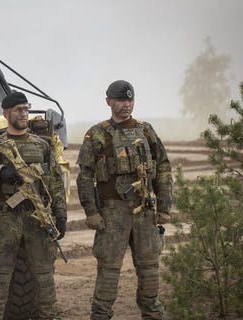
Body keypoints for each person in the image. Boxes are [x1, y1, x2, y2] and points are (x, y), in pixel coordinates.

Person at [76, 80, 172, 320]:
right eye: (120, 100)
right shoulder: (96, 134)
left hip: (145, 211)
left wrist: (164, 207)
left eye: (129, 100)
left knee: (150, 270)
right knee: (109, 271)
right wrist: (91, 212)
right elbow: (85, 176)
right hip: (112, 212)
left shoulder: (146, 130)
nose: (126, 104)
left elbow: (163, 168)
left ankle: (152, 314)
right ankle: (101, 316)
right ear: (109, 101)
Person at [0, 91, 67, 320]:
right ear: (6, 114)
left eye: (26, 108)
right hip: (6, 220)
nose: (24, 114)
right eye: (18, 110)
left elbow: (54, 182)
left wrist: (60, 215)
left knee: (45, 281)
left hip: (38, 219)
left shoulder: (41, 145)